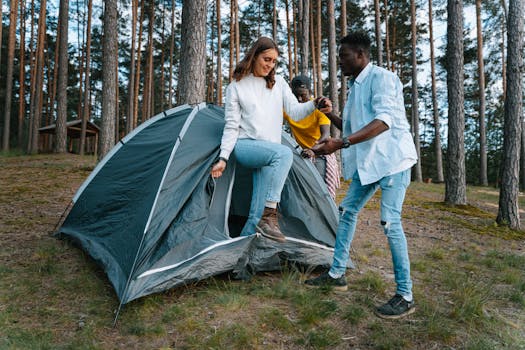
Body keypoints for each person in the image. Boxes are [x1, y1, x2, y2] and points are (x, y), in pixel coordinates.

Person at [304, 31, 418, 319]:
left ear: (361, 55)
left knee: (390, 222)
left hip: (392, 161)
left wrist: (339, 144)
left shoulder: (382, 79)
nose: (339, 61)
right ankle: (337, 274)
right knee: (347, 211)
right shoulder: (356, 87)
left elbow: (384, 122)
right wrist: (330, 115)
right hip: (369, 165)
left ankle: (405, 295)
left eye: (343, 56)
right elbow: (353, 129)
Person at [211, 37, 332, 243]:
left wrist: (316, 103)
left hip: (270, 152)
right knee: (284, 153)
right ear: (254, 56)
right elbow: (231, 126)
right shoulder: (237, 87)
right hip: (246, 146)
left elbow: (295, 112)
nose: (270, 65)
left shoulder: (278, 84)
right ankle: (270, 216)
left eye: (274, 61)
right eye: (267, 59)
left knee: (255, 214)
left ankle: (240, 257)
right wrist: (223, 158)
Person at [283, 76, 340, 200]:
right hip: (303, 155)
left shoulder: (319, 107)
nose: (299, 99)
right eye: (295, 95)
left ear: (310, 91)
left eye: (302, 95)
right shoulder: (289, 109)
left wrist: (313, 150)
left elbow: (325, 135)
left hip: (321, 152)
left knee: (322, 193)